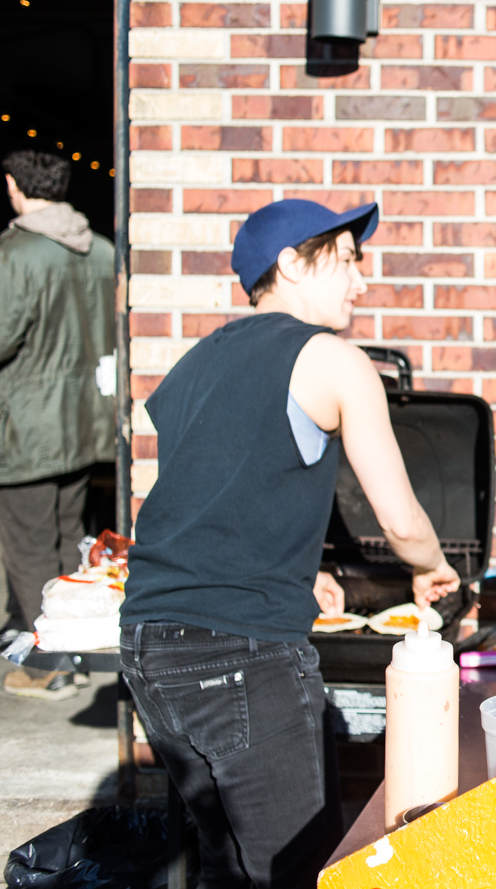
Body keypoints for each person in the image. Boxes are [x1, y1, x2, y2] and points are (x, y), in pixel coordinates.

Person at [119, 199, 462, 889]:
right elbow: (399, 519)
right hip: (241, 652)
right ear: (290, 265)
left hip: (148, 644)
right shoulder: (334, 361)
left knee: (225, 866)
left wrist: (297, 572)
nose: (360, 281)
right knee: (299, 870)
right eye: (347, 260)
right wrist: (435, 567)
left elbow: (209, 501)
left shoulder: (193, 366)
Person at [0, 150, 115, 700]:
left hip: (25, 424)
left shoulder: (18, 253)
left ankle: (49, 665)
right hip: (83, 421)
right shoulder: (101, 251)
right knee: (72, 538)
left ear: (13, 187)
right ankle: (79, 644)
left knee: (26, 544)